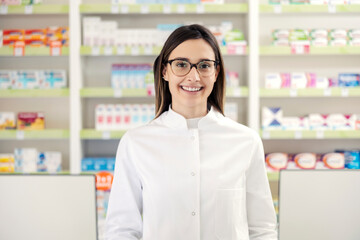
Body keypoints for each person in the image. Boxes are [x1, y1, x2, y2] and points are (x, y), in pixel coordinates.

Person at [105, 24, 277, 240]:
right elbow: (121, 230)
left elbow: (262, 229)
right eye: (181, 64)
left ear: (216, 72)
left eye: (204, 65)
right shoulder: (136, 142)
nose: (194, 76)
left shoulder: (246, 141)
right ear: (164, 71)